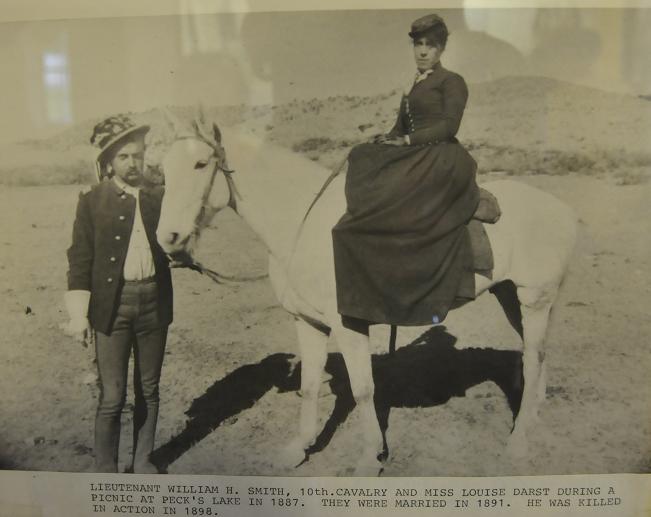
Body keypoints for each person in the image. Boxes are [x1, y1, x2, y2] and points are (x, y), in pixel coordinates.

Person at [332, 14, 480, 329]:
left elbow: (449, 126)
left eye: (431, 45)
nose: (423, 51)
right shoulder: (413, 84)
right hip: (416, 151)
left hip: (442, 156)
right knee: (363, 155)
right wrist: (386, 138)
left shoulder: (451, 81)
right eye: (419, 44)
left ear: (442, 49)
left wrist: (408, 140)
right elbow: (400, 127)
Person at [62, 114, 173, 473]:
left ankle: (142, 460)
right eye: (124, 156)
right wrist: (79, 313)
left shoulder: (159, 197)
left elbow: (175, 239)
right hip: (113, 308)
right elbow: (80, 258)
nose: (133, 163)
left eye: (138, 155)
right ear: (109, 161)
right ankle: (106, 468)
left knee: (150, 390)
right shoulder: (92, 201)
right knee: (112, 397)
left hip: (154, 304)